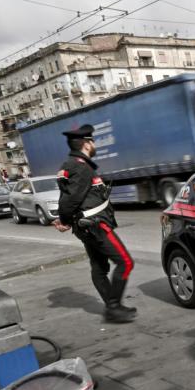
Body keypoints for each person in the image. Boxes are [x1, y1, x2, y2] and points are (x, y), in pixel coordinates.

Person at [52, 124, 137, 323]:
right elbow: (69, 200)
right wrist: (65, 220)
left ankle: (112, 307)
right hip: (96, 226)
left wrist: (67, 220)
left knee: (99, 268)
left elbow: (68, 197)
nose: (94, 143)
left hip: (87, 227)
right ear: (86, 144)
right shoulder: (81, 167)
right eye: (92, 141)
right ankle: (114, 307)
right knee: (125, 262)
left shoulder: (70, 164)